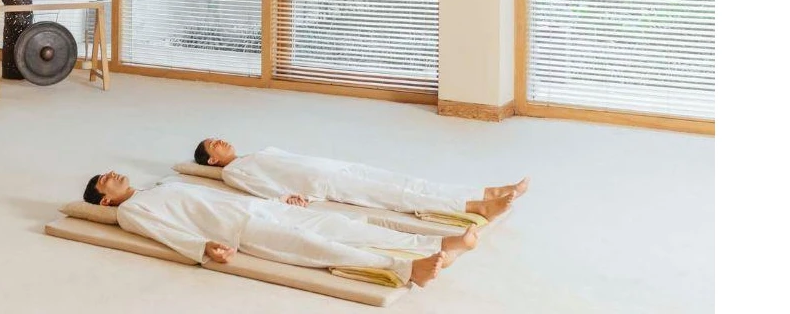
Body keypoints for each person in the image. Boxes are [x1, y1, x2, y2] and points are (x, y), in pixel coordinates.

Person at [83, 171, 478, 287]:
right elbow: (165, 233)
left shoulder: (163, 185)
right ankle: (407, 268)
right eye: (105, 181)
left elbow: (222, 197)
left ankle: (436, 242)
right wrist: (204, 248)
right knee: (314, 245)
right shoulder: (131, 212)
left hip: (258, 210)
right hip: (240, 229)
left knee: (340, 224)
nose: (112, 175)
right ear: (105, 200)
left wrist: (275, 201)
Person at [194, 139, 528, 219]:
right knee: (398, 196)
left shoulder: (259, 151)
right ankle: (474, 206)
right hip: (327, 185)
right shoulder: (234, 171)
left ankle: (491, 190)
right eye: (215, 144)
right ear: (212, 159)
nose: (221, 141)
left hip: (336, 168)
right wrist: (286, 199)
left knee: (407, 181)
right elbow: (260, 188)